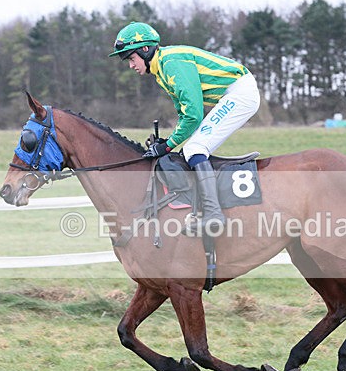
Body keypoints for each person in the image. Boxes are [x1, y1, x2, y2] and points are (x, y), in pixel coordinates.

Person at [109, 21, 260, 234]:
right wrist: (168, 143)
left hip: (240, 93)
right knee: (191, 148)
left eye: (131, 58)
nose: (131, 65)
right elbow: (184, 113)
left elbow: (194, 115)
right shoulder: (161, 70)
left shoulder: (171, 63)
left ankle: (213, 214)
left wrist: (168, 146)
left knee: (195, 149)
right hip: (233, 93)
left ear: (145, 49)